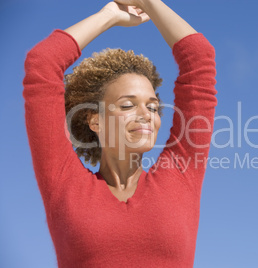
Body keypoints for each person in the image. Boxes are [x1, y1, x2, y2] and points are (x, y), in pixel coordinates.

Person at [22, 0, 217, 267]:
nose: (146, 114)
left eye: (152, 106)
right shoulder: (64, 183)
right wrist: (109, 15)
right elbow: (42, 62)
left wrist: (149, 1)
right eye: (128, 105)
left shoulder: (181, 175)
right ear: (95, 121)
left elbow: (200, 57)